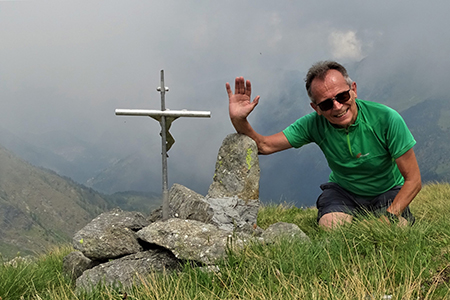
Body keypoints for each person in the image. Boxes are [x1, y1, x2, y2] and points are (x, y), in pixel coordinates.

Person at [226, 61, 421, 229]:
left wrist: (388, 218)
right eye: (326, 104)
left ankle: (373, 217)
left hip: (387, 189)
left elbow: (413, 180)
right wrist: (238, 119)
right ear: (316, 108)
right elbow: (264, 146)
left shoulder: (387, 119)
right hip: (344, 190)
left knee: (397, 229)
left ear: (353, 90)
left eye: (342, 96)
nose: (337, 106)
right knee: (330, 226)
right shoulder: (313, 124)